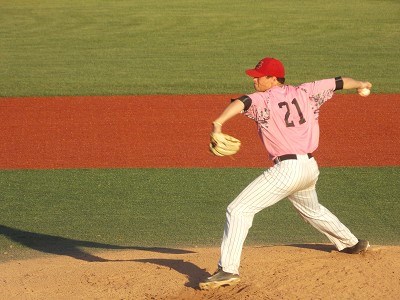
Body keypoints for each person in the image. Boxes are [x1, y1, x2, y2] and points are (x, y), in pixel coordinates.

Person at [199, 57, 372, 290]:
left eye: (258, 76)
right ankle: (351, 243)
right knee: (312, 210)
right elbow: (341, 81)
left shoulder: (263, 98)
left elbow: (242, 102)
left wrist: (217, 123)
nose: (254, 80)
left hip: (287, 170)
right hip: (309, 168)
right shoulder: (307, 91)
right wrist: (362, 84)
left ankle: (228, 270)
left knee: (238, 209)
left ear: (273, 78)